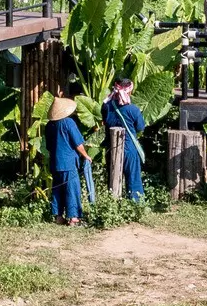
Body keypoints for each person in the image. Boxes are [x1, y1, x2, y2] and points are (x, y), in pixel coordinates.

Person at [43, 95, 90, 225]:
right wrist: (86, 155)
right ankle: (73, 218)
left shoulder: (49, 126)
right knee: (72, 189)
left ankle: (58, 217)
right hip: (68, 162)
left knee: (57, 189)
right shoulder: (68, 123)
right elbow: (78, 143)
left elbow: (48, 146)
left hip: (55, 162)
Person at [101, 75, 147, 199]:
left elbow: (105, 121)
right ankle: (135, 204)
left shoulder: (106, 106)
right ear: (129, 90)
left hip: (112, 147)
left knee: (113, 177)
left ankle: (112, 202)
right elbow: (140, 128)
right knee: (133, 179)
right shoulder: (133, 109)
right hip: (129, 148)